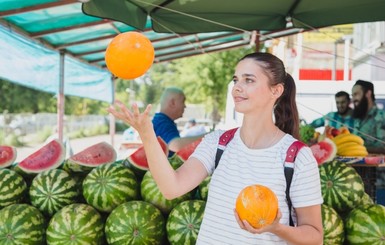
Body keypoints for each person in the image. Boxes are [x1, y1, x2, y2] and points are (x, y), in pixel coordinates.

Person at [108, 52, 323, 244]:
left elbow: (315, 236)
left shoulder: (297, 157)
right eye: (236, 79)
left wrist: (277, 228)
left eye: (249, 80)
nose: (237, 87)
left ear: (276, 90)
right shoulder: (218, 143)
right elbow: (171, 188)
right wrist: (146, 133)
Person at [351, 79, 385, 205]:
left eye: (356, 94)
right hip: (359, 181)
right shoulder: (357, 119)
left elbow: (383, 146)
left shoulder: (381, 116)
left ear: (368, 94)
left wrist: (359, 147)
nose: (353, 99)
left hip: (380, 183)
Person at [151, 87, 205, 157]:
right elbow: (175, 146)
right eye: (183, 101)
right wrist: (205, 137)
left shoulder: (164, 121)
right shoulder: (162, 122)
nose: (185, 106)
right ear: (172, 103)